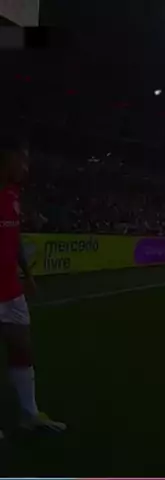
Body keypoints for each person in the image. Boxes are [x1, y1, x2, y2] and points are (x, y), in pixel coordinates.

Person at [0, 137, 66, 438]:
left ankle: (29, 414)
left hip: (11, 289)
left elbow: (14, 240)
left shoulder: (13, 194)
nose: (26, 167)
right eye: (22, 160)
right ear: (6, 160)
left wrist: (27, 275)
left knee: (22, 349)